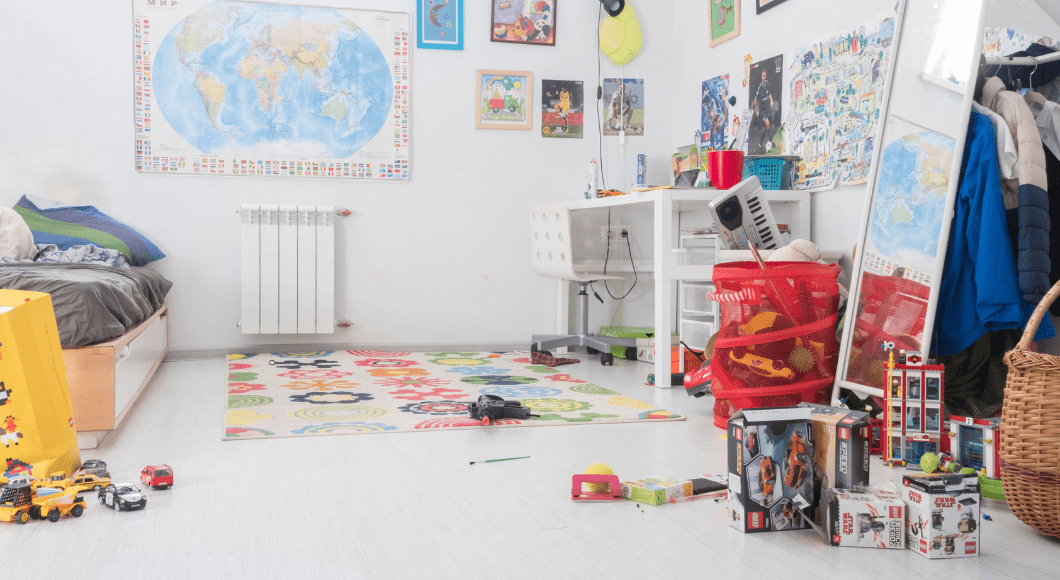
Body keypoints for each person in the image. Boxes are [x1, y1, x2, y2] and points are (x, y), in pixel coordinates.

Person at [752, 68, 777, 154]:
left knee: (764, 129)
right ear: (761, 77)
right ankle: (771, 142)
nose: (764, 77)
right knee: (767, 123)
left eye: (765, 75)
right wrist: (757, 111)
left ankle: (760, 144)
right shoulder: (759, 88)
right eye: (763, 75)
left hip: (767, 108)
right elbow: (755, 100)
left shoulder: (768, 83)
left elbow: (769, 94)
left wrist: (772, 100)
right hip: (762, 110)